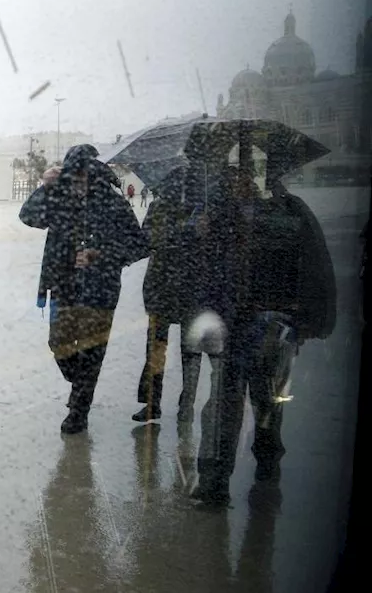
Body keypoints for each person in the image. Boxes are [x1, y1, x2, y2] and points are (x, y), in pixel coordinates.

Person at [191, 160, 337, 505]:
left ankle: (268, 461)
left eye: (244, 177)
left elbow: (308, 266)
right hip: (232, 327)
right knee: (224, 406)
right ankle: (214, 483)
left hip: (273, 326)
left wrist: (301, 322)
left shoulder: (287, 213)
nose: (239, 183)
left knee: (268, 402)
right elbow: (203, 268)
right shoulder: (219, 216)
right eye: (231, 178)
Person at [19, 144, 148, 434]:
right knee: (59, 344)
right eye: (71, 178)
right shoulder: (60, 198)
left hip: (100, 290)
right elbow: (29, 216)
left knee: (91, 352)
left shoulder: (112, 203)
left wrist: (99, 254)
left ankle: (79, 410)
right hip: (63, 285)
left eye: (81, 177)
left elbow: (138, 244)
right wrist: (46, 187)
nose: (77, 184)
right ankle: (82, 385)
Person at [132, 166, 205, 424]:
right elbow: (147, 239)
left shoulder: (203, 211)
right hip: (162, 286)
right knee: (156, 347)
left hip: (189, 286)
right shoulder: (159, 209)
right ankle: (152, 403)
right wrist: (180, 233)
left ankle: (186, 404)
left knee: (189, 350)